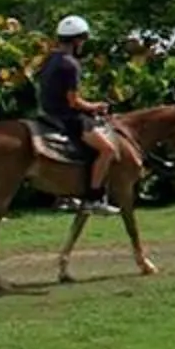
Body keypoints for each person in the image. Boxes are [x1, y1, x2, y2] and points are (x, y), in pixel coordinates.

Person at [35, 15, 123, 215]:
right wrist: (94, 106)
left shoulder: (51, 59)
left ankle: (67, 194)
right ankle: (94, 198)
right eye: (82, 40)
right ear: (77, 40)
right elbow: (74, 101)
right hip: (66, 116)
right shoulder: (70, 64)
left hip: (47, 113)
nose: (83, 44)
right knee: (107, 150)